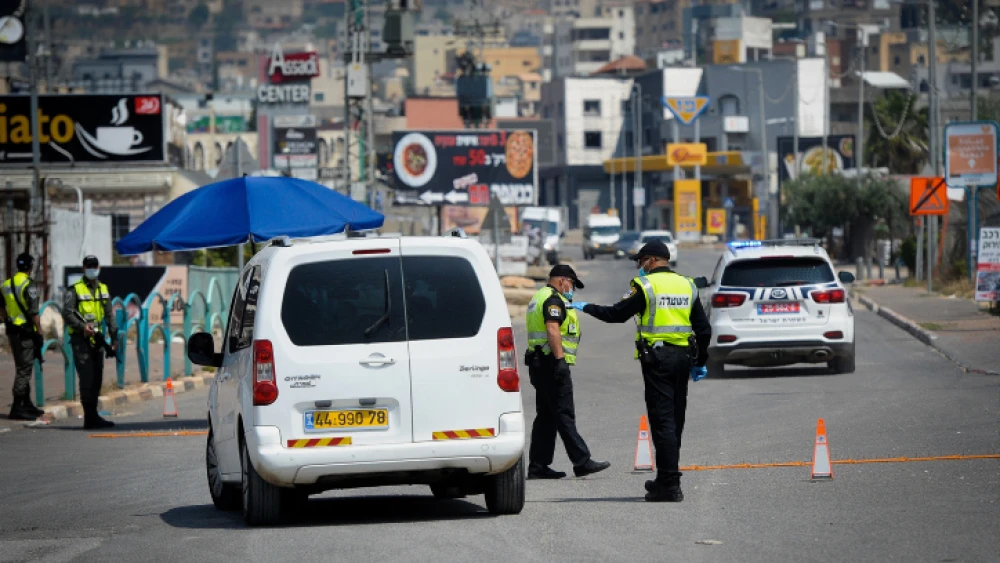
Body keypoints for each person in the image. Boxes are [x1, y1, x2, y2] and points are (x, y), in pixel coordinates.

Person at [569, 240, 711, 502]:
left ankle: (670, 485)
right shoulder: (687, 285)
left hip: (658, 360)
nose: (639, 266)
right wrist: (700, 361)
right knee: (675, 419)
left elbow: (616, 314)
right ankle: (665, 479)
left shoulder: (645, 286)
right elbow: (703, 329)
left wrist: (586, 306)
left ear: (653, 260)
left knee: (662, 420)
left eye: (641, 260)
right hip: (682, 359)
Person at [524, 264, 611, 480]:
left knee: (546, 416)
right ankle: (582, 461)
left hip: (539, 363)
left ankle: (538, 465)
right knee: (564, 413)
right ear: (562, 280)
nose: (572, 289)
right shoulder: (553, 300)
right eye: (572, 284)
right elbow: (552, 328)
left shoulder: (539, 296)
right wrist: (560, 360)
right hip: (551, 363)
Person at [63, 256, 119, 429]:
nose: (92, 269)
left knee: (97, 378)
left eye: (94, 266)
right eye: (89, 266)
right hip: (81, 339)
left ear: (99, 267)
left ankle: (94, 415)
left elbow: (109, 314)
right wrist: (82, 327)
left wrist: (114, 338)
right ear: (83, 268)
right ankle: (89, 416)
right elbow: (67, 313)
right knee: (87, 377)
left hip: (97, 339)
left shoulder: (103, 288)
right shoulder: (75, 290)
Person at [2, 253, 45, 421]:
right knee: (24, 369)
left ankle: (26, 404)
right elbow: (34, 312)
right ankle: (17, 407)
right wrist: (39, 330)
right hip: (26, 332)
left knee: (21, 365)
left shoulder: (6, 284)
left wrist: (8, 321)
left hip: (13, 331)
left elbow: (1, 308)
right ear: (30, 267)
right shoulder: (29, 285)